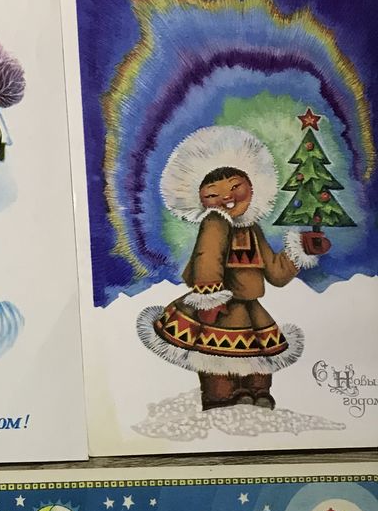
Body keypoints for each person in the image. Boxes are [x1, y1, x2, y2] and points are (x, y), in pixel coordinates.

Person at [137, 125, 327, 411]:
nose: (227, 198)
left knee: (257, 360)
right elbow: (207, 258)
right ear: (201, 201)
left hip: (250, 308)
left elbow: (276, 273)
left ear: (252, 186)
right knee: (217, 359)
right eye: (213, 194)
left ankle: (256, 393)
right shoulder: (214, 223)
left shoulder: (253, 230)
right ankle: (221, 398)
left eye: (235, 187)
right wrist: (209, 297)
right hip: (219, 308)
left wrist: (301, 250)